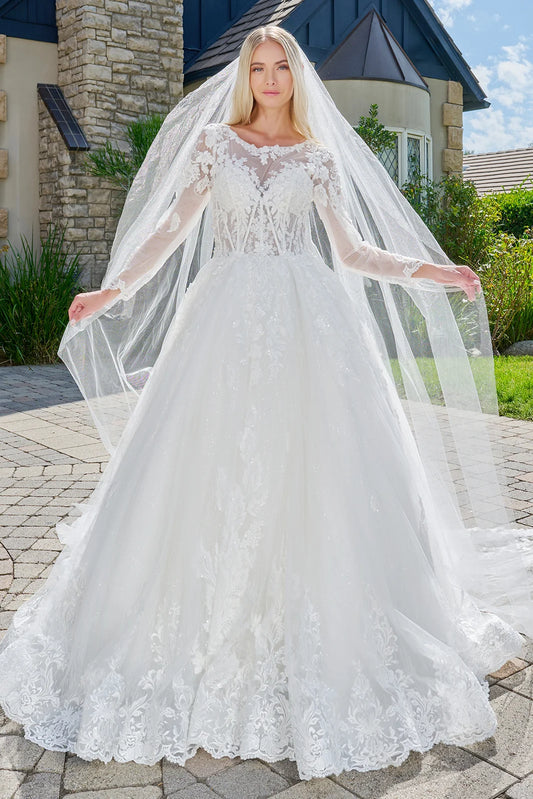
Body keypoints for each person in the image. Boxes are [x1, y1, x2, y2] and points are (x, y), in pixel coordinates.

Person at [0, 25, 531, 782]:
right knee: (199, 470)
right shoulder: (217, 144)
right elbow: (170, 229)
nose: (272, 76)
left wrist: (431, 271)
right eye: (260, 65)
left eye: (283, 65)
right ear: (246, 75)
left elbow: (349, 252)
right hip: (221, 324)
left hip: (310, 328)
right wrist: (114, 288)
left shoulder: (317, 157)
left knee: (321, 474)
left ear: (297, 75)